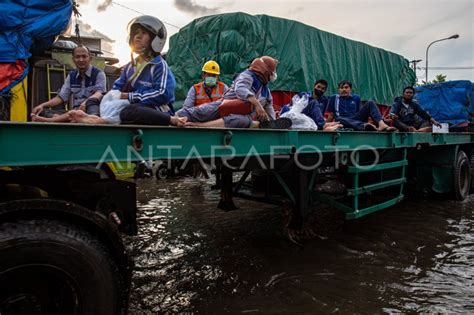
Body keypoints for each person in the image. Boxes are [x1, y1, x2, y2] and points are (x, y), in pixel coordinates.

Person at [70, 15, 186, 126]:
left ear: (155, 39)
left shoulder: (159, 65)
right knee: (93, 100)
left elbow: (163, 93)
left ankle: (170, 120)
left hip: (155, 109)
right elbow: (117, 89)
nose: (137, 37)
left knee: (130, 111)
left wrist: (130, 97)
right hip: (130, 104)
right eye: (136, 33)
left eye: (144, 33)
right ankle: (95, 118)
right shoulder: (131, 66)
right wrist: (108, 97)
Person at [176, 56, 291, 129]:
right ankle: (172, 118)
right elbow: (240, 89)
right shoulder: (247, 76)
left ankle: (197, 126)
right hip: (224, 106)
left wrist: (272, 122)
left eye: (214, 75)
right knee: (202, 112)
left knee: (239, 121)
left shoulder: (266, 91)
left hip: (241, 116)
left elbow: (269, 107)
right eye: (209, 75)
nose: (211, 77)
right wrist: (256, 104)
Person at [31, 45, 106, 122]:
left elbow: (99, 93)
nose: (81, 59)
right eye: (77, 57)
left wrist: (86, 102)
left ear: (90, 58)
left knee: (92, 108)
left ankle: (53, 120)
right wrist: (42, 105)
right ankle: (65, 118)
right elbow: (61, 97)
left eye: (84, 56)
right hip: (75, 111)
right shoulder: (71, 76)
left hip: (91, 111)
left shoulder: (99, 74)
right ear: (73, 60)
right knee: (42, 112)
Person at [326, 80, 396, 131]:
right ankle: (364, 126)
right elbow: (331, 115)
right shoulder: (334, 98)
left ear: (350, 89)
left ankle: (382, 124)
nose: (344, 89)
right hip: (343, 122)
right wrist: (324, 125)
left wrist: (382, 119)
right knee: (338, 118)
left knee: (370, 102)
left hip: (355, 119)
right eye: (341, 88)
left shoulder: (356, 98)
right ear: (338, 90)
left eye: (346, 87)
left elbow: (360, 113)